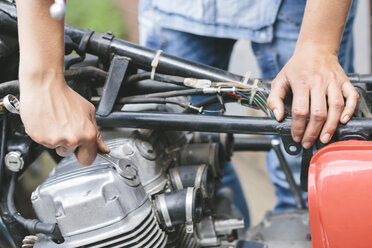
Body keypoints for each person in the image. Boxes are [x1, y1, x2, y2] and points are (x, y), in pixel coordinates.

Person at [16, 0, 359, 216]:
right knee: (180, 154)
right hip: (179, 7)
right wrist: (42, 76)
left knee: (308, 168)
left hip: (299, 8)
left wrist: (318, 46)